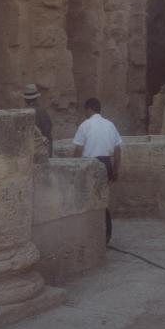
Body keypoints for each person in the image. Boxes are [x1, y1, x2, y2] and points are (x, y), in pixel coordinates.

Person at [73, 98, 122, 244]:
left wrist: (75, 167)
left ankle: (90, 234)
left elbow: (78, 149)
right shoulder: (110, 125)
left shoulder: (85, 125)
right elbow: (118, 150)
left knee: (88, 199)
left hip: (90, 164)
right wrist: (116, 170)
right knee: (102, 199)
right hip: (106, 163)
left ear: (89, 109)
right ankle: (106, 234)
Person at [23, 83, 53, 157]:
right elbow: (48, 134)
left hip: (27, 151)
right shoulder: (42, 112)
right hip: (41, 150)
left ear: (25, 99)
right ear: (36, 98)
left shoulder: (22, 114)